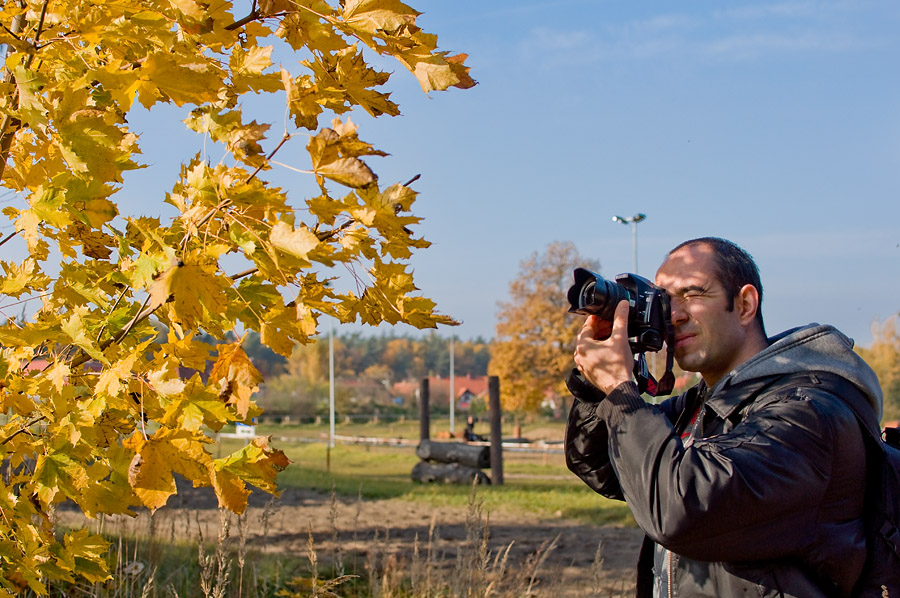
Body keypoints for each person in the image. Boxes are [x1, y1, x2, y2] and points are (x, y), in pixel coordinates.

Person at [566, 237, 884, 598]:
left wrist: (621, 392)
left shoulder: (807, 413)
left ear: (745, 304)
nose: (675, 315)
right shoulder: (706, 405)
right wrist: (596, 388)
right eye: (665, 300)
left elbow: (680, 511)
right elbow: (600, 464)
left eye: (693, 294)